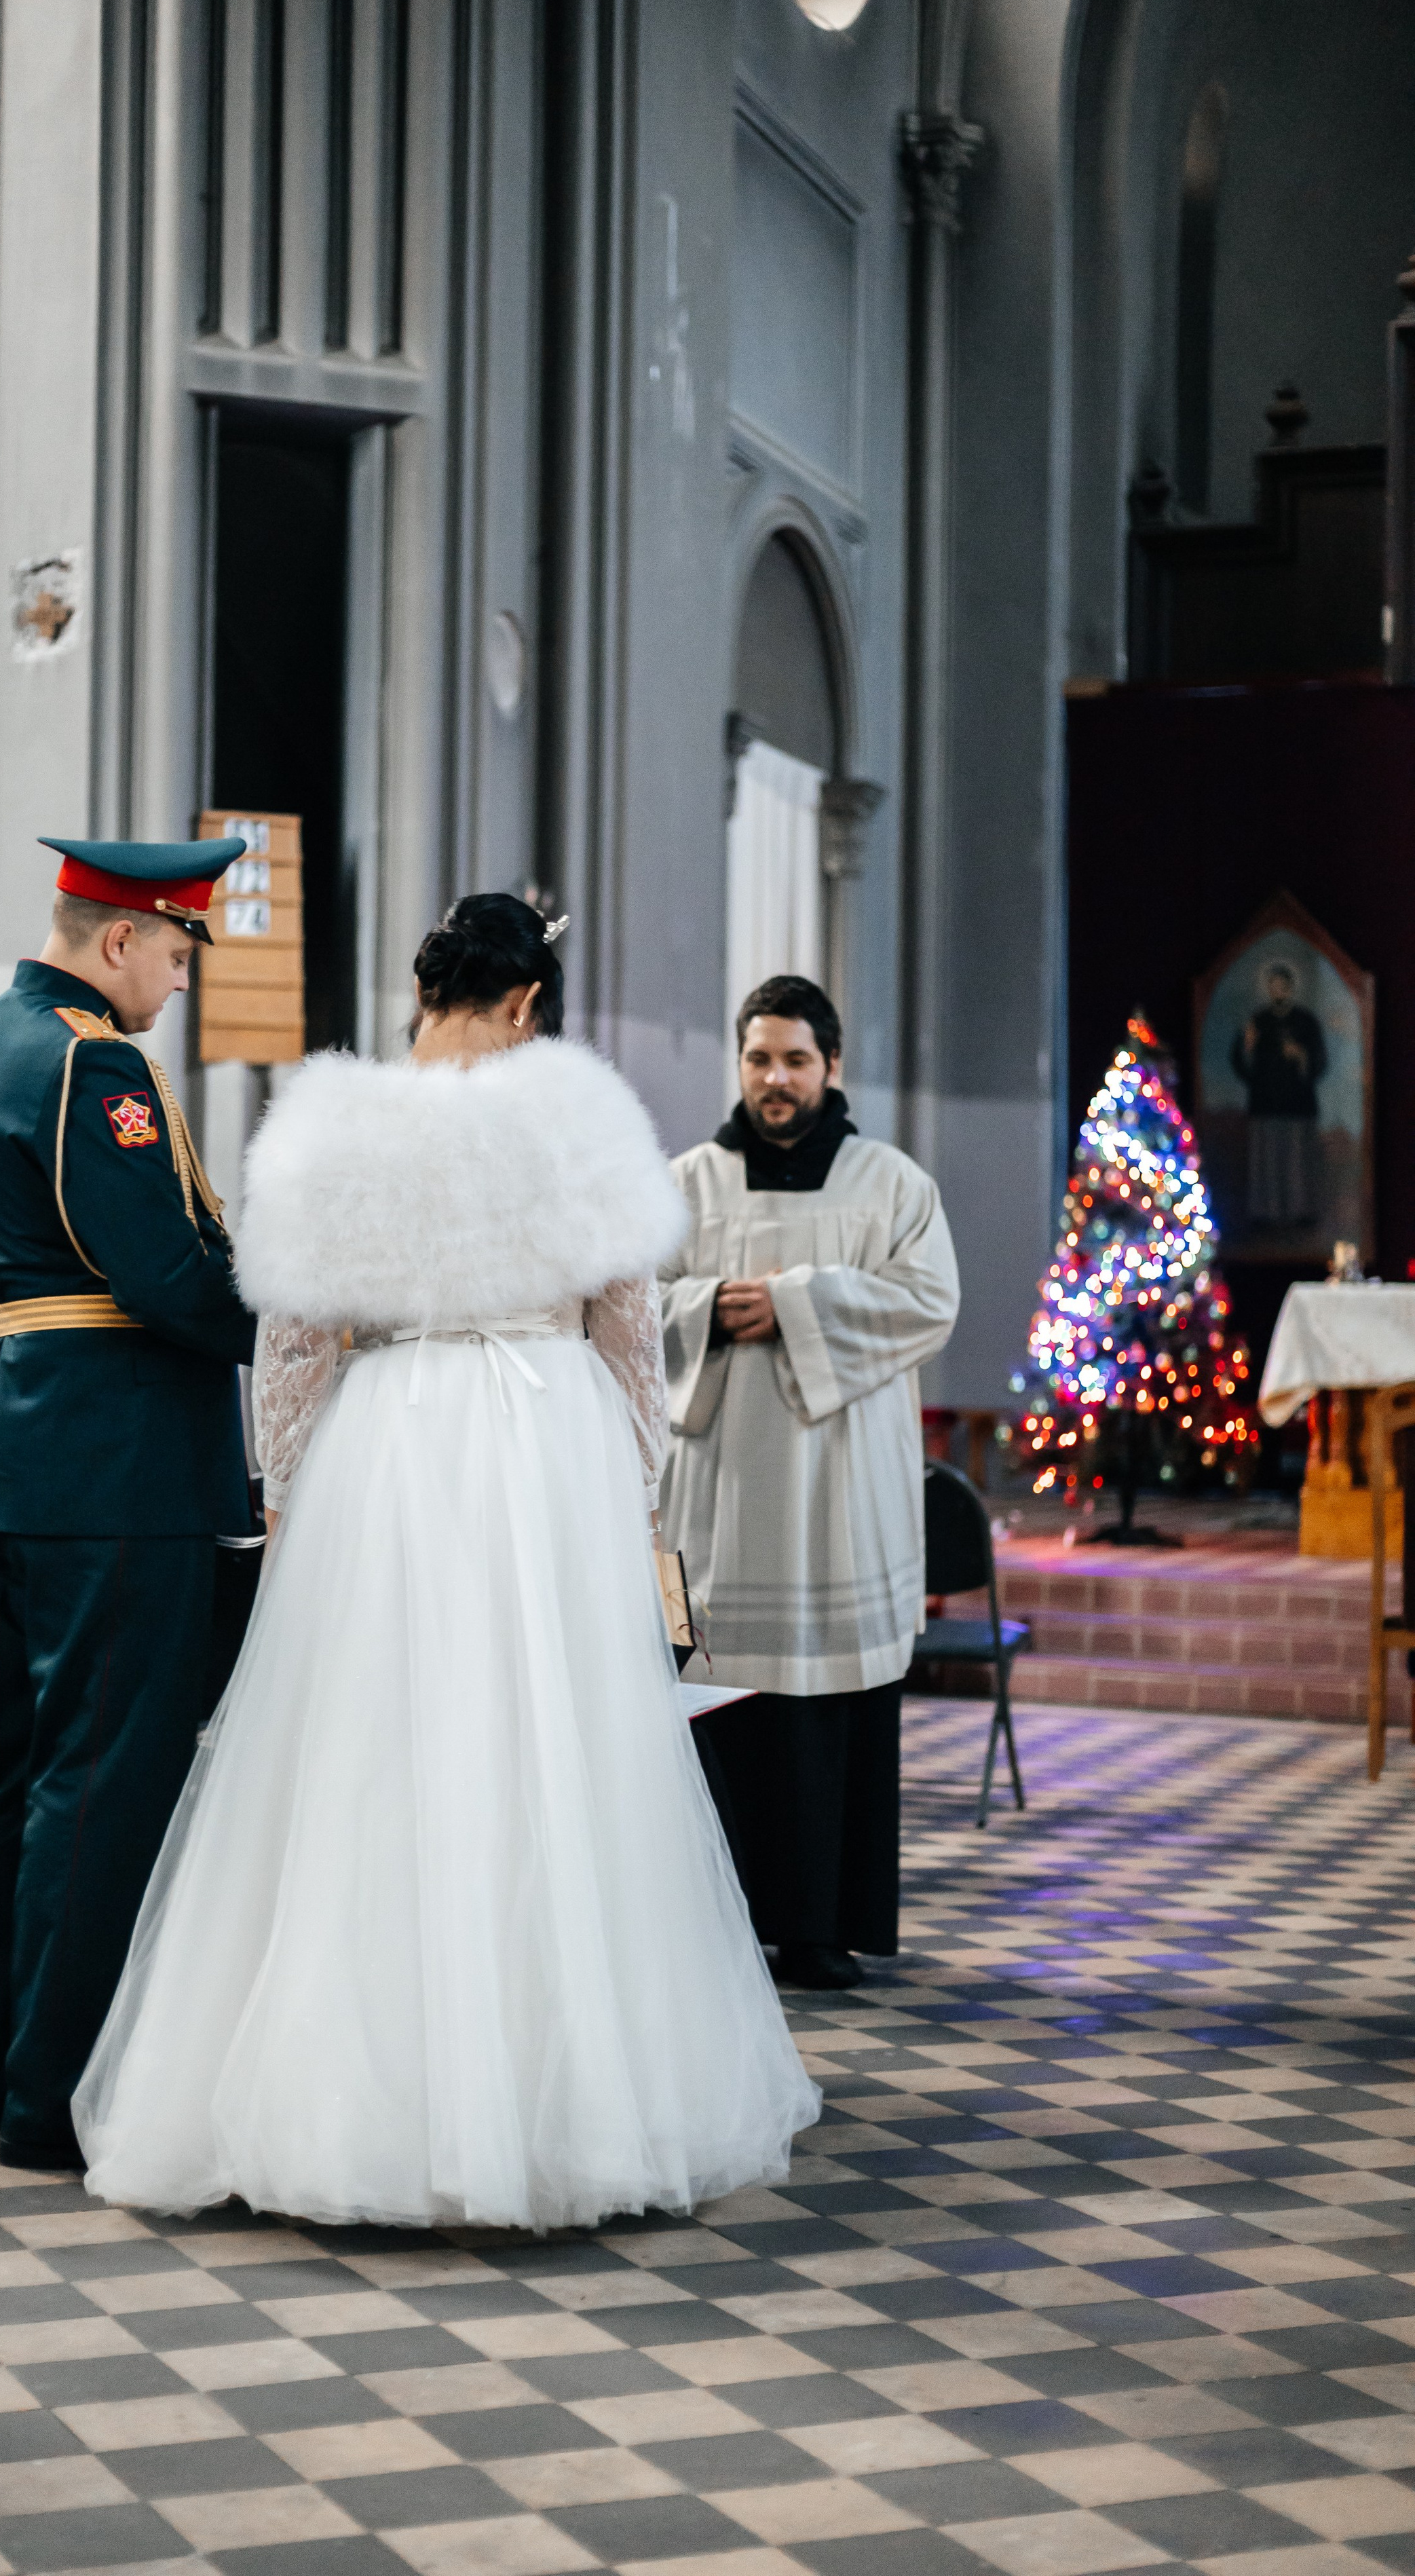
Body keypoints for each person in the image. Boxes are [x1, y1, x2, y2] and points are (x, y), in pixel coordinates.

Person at [75, 895, 820, 2226]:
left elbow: (294, 1347)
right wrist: (629, 1490)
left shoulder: (329, 1124)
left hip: (391, 1446)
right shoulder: (582, 1118)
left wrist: (297, 1495)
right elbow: (628, 1336)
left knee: (371, 1752)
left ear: (424, 992)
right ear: (526, 1003)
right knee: (551, 1760)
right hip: (543, 1446)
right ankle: (573, 2103)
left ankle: (344, 2108)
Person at [0, 833, 257, 2171]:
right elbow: (169, 1281)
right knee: (100, 1785)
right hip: (120, 1475)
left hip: (25, 1457)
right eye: (177, 954)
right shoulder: (93, 1063)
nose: (180, 982)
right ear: (118, 937)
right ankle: (50, 2100)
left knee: (22, 1775)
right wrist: (295, 1313)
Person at [658, 974, 959, 1994]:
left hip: (840, 1500)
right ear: (738, 1065)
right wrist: (703, 1308)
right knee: (719, 1706)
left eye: (794, 1060)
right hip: (718, 1500)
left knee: (830, 1717)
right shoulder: (685, 1185)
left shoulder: (890, 1184)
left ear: (832, 1066)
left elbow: (930, 1302)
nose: (775, 1079)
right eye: (758, 1059)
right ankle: (710, 1927)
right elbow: (621, 1310)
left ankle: (822, 1930)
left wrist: (793, 1302)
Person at [1230, 958, 1327, 1229]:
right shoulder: (1258, 1022)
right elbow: (1240, 1064)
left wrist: (1302, 1056)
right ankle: (1266, 1214)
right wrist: (1246, 1047)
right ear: (1268, 990)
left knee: (1297, 1162)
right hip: (1265, 1104)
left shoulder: (1306, 1022)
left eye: (1283, 987)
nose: (1278, 992)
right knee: (1266, 1162)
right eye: (1273, 987)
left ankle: (1300, 1214)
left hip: (1298, 1105)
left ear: (1290, 989)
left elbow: (1320, 1062)